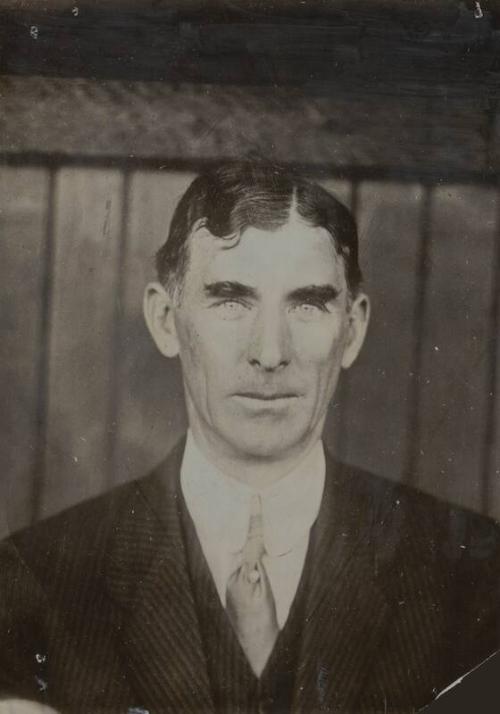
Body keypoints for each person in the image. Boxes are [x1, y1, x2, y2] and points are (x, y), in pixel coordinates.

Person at [1, 161, 499, 714]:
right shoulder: (34, 582)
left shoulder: (474, 577)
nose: (269, 352)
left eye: (307, 303)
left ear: (352, 329)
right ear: (166, 320)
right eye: (231, 301)